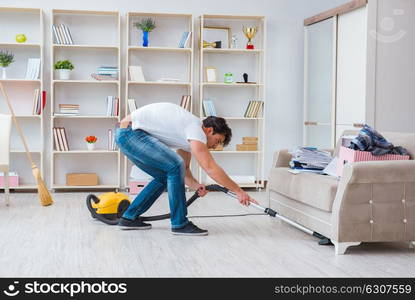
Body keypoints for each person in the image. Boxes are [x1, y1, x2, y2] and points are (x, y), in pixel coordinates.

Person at [115, 102, 258, 236]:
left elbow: (185, 170)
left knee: (166, 174)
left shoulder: (188, 136)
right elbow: (209, 167)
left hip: (126, 135)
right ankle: (180, 224)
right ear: (209, 130)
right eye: (217, 141)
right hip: (131, 133)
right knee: (174, 166)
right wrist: (238, 190)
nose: (215, 146)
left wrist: (196, 185)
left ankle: (129, 217)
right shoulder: (196, 129)